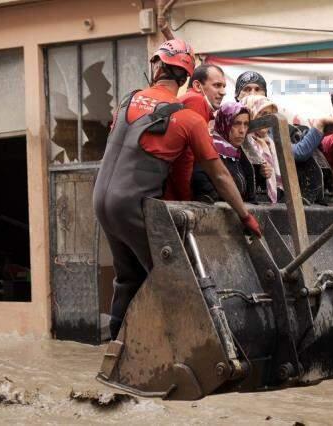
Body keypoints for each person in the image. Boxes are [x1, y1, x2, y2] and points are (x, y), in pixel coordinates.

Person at [93, 39, 261, 340]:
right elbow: (220, 176)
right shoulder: (188, 119)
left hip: (101, 202)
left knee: (128, 278)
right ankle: (181, 354)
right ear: (187, 78)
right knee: (174, 280)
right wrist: (245, 215)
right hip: (133, 205)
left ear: (157, 67)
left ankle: (115, 352)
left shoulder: (125, 102)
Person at [164, 64, 227, 201]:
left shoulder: (192, 100)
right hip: (174, 197)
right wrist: (188, 199)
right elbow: (186, 158)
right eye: (217, 85)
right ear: (198, 86)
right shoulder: (196, 100)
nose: (223, 92)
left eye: (224, 86)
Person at [192, 102, 253, 202]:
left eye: (246, 124)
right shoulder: (210, 148)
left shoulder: (243, 153)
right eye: (236, 123)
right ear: (224, 123)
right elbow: (200, 180)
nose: (242, 130)